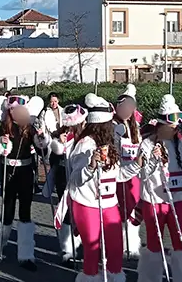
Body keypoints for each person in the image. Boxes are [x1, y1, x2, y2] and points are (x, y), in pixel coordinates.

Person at [69, 93, 139, 281]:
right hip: (87, 204)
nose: (114, 127)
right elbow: (75, 179)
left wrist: (137, 164)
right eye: (110, 124)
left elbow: (119, 176)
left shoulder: (110, 144)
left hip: (109, 204)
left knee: (116, 248)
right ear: (103, 125)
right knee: (92, 250)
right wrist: (91, 165)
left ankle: (115, 277)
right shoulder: (84, 145)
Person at [137, 94, 182, 282]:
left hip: (177, 200)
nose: (175, 131)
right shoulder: (147, 144)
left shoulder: (178, 143)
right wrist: (154, 161)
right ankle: (150, 278)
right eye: (172, 127)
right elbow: (142, 174)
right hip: (155, 201)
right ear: (161, 125)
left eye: (177, 128)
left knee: (181, 241)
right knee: (154, 243)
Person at [0, 95, 51, 270]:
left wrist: (42, 140)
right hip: (8, 173)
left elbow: (42, 152)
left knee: (25, 212)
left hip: (25, 173)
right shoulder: (3, 127)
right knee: (7, 209)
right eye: (14, 110)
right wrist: (0, 145)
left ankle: (26, 255)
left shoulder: (30, 128)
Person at [50, 103, 86, 268]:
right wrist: (59, 145)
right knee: (66, 213)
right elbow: (52, 158)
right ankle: (67, 250)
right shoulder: (61, 135)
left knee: (82, 212)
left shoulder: (86, 137)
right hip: (64, 178)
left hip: (83, 179)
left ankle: (83, 245)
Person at [113, 84, 143, 258]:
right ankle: (118, 242)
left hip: (134, 175)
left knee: (133, 209)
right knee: (120, 210)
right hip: (119, 174)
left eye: (130, 108)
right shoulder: (113, 125)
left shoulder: (136, 128)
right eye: (123, 107)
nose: (127, 111)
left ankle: (131, 243)